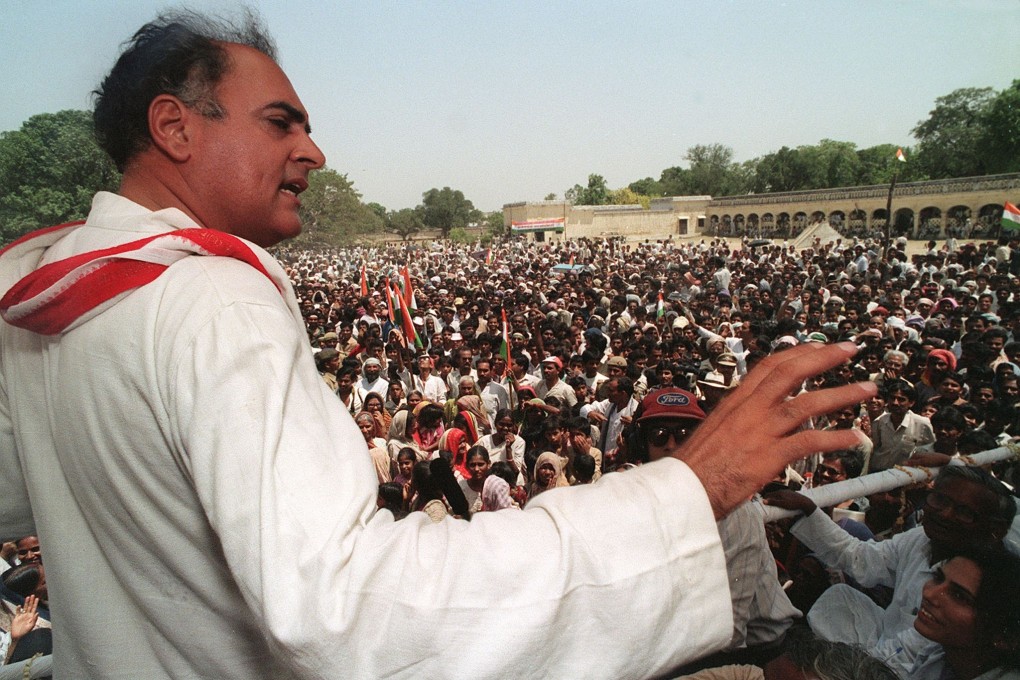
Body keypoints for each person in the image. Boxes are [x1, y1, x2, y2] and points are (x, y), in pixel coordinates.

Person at [0, 10, 876, 679]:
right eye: (281, 122)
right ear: (176, 127)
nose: (314, 150)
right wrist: (688, 489)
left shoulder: (57, 299)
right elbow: (340, 606)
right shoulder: (207, 295)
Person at [763, 465, 1017, 678]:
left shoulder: (994, 580)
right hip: (892, 646)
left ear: (995, 529)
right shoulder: (922, 538)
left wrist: (831, 667)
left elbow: (910, 653)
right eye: (940, 499)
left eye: (964, 512)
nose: (944, 514)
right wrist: (809, 510)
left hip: (911, 667)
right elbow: (861, 558)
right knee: (840, 598)